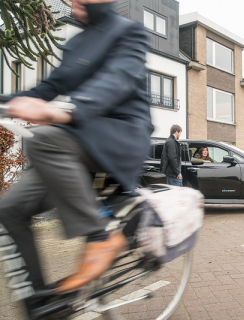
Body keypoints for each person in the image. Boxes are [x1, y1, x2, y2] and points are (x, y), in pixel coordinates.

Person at [0, 0, 153, 316]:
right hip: (77, 144)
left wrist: (63, 112)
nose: (73, 1)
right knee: (10, 208)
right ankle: (46, 305)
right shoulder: (77, 42)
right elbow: (50, 87)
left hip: (118, 139)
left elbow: (115, 80)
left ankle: (100, 237)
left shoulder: (130, 32)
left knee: (42, 139)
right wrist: (11, 101)